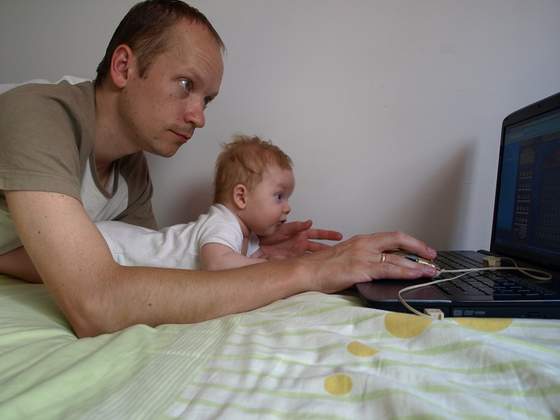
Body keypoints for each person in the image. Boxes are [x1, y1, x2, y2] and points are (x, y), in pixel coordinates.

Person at [0, 0, 438, 338]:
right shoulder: (38, 115)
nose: (199, 117)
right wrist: (311, 271)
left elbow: (145, 276)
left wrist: (253, 252)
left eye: (206, 100)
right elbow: (97, 303)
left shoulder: (131, 169)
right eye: (186, 85)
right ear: (123, 66)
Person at [95, 135, 296, 270]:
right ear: (241, 197)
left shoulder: (249, 237)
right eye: (279, 196)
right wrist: (268, 267)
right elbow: (216, 264)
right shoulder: (223, 223)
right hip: (115, 247)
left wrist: (281, 262)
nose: (287, 208)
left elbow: (252, 264)